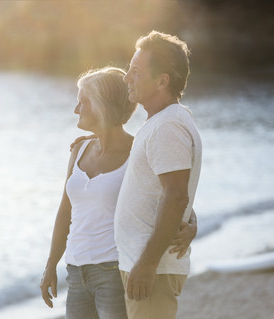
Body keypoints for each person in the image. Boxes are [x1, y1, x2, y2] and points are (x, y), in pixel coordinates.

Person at [39, 66, 197, 319]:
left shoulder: (138, 152)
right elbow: (65, 211)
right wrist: (51, 265)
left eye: (83, 103)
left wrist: (192, 224)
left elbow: (173, 196)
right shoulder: (79, 151)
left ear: (102, 106)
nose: (76, 110)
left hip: (114, 270)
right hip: (77, 270)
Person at [115, 31, 202, 319]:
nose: (128, 78)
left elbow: (177, 195)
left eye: (136, 72)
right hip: (144, 264)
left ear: (162, 80)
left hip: (153, 267)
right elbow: (169, 191)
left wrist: (148, 264)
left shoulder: (169, 126)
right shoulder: (163, 123)